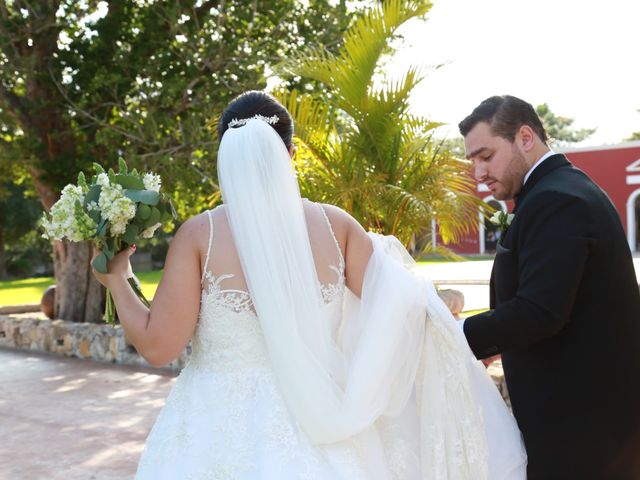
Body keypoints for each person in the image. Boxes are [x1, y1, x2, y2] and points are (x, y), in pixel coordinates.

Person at [93, 91, 526, 479]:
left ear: (224, 153)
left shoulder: (199, 235)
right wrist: (449, 325)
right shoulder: (335, 226)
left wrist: (116, 279)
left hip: (214, 423)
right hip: (326, 417)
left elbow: (158, 347)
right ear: (291, 152)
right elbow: (402, 309)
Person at [459, 95, 640, 480]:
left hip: (582, 434)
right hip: (583, 426)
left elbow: (540, 312)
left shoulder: (557, 200)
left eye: (485, 155)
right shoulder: (557, 190)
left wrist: (455, 335)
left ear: (525, 137)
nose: (478, 173)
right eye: (473, 160)